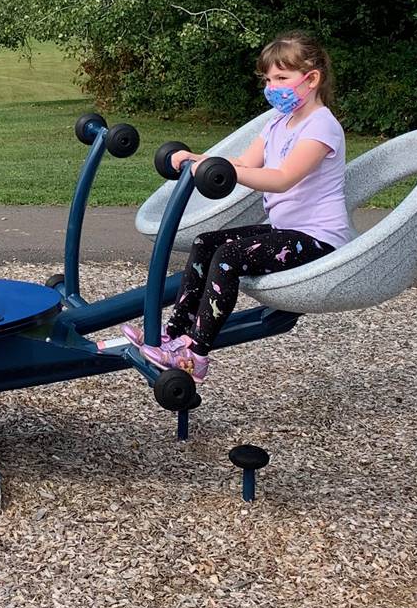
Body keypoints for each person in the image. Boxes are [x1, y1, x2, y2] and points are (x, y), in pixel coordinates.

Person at [125, 31, 352, 382]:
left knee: (229, 257)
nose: (272, 86)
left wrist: (227, 171)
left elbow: (281, 178)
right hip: (285, 231)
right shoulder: (278, 120)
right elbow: (245, 161)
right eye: (268, 79)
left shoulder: (322, 126)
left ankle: (196, 353)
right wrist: (196, 159)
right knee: (206, 243)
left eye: (281, 78)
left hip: (318, 239)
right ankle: (173, 334)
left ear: (312, 78)